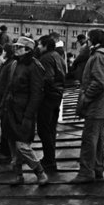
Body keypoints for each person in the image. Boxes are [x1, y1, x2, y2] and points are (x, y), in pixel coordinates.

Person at [70, 29, 104, 184]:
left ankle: (86, 172)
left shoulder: (99, 56)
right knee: (97, 139)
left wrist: (86, 98)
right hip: (102, 103)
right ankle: (97, 169)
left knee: (89, 139)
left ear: (94, 40)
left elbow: (99, 83)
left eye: (88, 38)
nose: (87, 41)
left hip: (96, 104)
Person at [0, 37, 48, 186]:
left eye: (20, 47)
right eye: (16, 46)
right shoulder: (14, 64)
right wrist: (3, 106)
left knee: (23, 146)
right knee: (12, 144)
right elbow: (8, 86)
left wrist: (28, 115)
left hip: (24, 112)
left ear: (28, 49)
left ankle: (40, 172)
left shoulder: (35, 66)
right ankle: (18, 174)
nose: (16, 49)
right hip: (10, 109)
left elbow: (37, 94)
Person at [35, 35, 66, 173]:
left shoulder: (46, 58)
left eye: (40, 45)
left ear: (46, 45)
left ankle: (49, 160)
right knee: (51, 129)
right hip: (57, 95)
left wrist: (39, 91)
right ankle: (50, 159)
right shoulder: (58, 56)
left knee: (43, 129)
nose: (38, 47)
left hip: (48, 97)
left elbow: (47, 78)